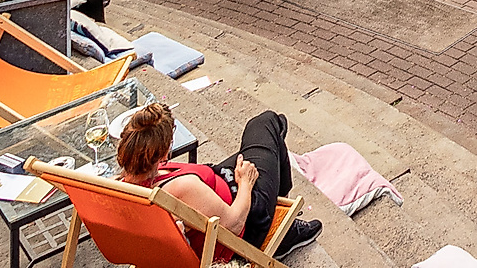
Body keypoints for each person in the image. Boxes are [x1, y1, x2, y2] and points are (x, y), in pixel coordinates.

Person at [113, 103, 322, 260]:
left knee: (264, 139)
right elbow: (234, 223)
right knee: (268, 122)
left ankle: (282, 212)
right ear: (162, 151)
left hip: (223, 182)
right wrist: (246, 184)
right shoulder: (179, 189)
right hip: (250, 214)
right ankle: (283, 230)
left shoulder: (122, 184)